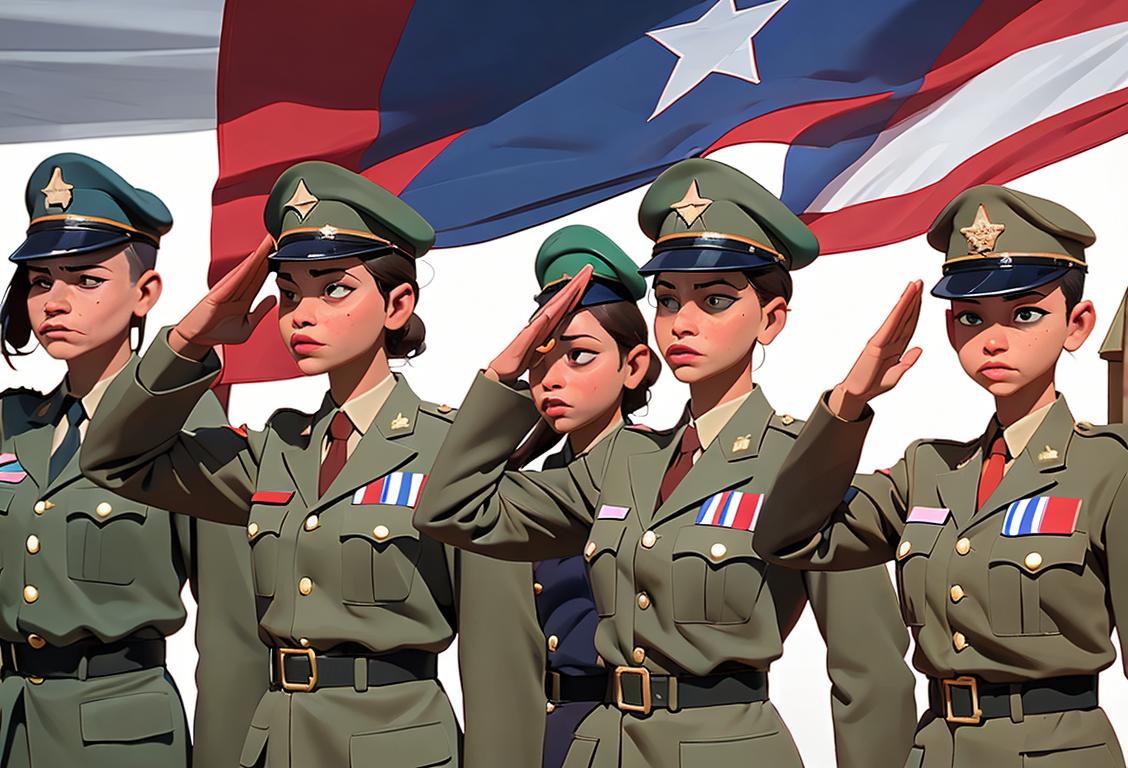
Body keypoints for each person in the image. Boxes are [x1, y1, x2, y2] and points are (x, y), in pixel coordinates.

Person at [414, 158, 917, 768]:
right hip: (602, 750)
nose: (683, 322)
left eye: (716, 299)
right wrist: (507, 373)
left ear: (772, 318)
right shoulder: (621, 460)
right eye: (669, 299)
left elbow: (870, 676)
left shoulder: (806, 463)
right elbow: (453, 510)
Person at [81, 160, 543, 767]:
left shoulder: (457, 451)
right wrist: (193, 336)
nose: (302, 313)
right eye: (290, 292)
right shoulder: (275, 449)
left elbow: (501, 665)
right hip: (277, 746)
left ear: (397, 303)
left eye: (334, 289)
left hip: (398, 747)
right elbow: (114, 458)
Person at [753, 184, 1128, 767]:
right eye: (972, 317)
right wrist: (849, 402)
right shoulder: (928, 470)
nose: (993, 340)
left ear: (1077, 325)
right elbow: (788, 538)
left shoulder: (1109, 468)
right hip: (934, 751)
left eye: (1025, 313)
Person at [0, 153, 264, 767]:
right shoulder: (13, 426)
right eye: (41, 281)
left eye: (86, 280)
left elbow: (231, 632)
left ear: (145, 293)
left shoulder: (191, 424)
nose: (55, 302)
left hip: (123, 740)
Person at [465, 224, 660, 768]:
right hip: (547, 735)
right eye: (541, 359)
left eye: (579, 356)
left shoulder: (660, 477)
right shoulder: (537, 478)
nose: (552, 378)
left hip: (635, 734)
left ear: (634, 365)